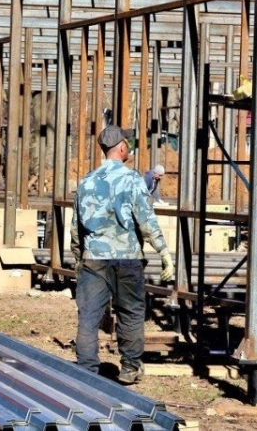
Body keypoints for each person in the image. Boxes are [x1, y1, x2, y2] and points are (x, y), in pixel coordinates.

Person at [70, 124, 175, 384]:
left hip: (94, 258)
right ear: (121, 148)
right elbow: (146, 220)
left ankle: (86, 369)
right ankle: (129, 368)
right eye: (127, 143)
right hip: (127, 257)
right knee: (130, 313)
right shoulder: (132, 180)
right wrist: (164, 253)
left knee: (89, 316)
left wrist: (78, 258)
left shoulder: (87, 181)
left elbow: (76, 227)